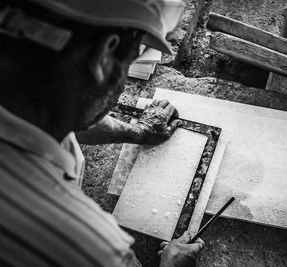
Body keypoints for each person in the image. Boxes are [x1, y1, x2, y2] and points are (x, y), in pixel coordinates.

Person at [0, 0, 205, 266]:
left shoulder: (32, 102)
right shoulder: (95, 251)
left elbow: (63, 109)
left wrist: (138, 132)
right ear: (104, 57)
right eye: (131, 61)